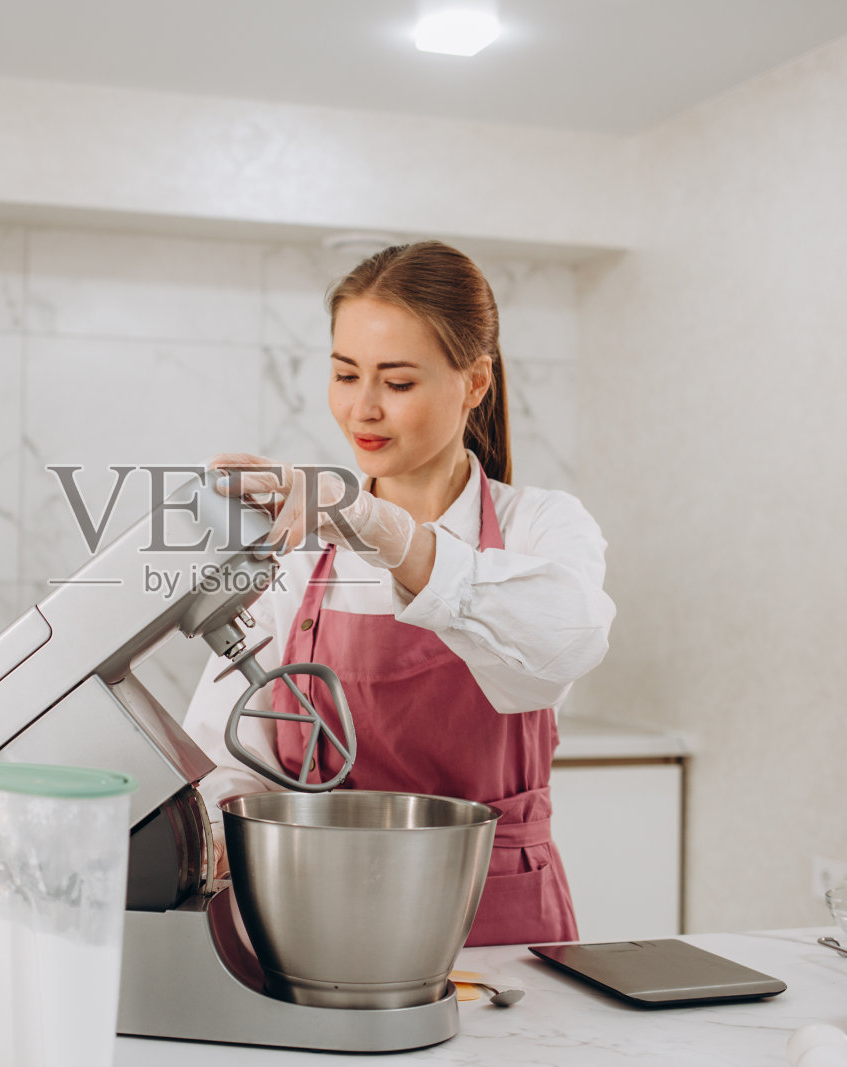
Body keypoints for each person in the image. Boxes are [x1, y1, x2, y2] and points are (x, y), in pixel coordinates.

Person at [183, 240, 616, 947]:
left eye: (399, 383)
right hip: (319, 918)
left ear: (474, 382)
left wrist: (383, 531)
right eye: (345, 374)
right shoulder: (297, 549)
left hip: (499, 927)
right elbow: (225, 760)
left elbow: (564, 644)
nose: (363, 409)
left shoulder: (538, 526)